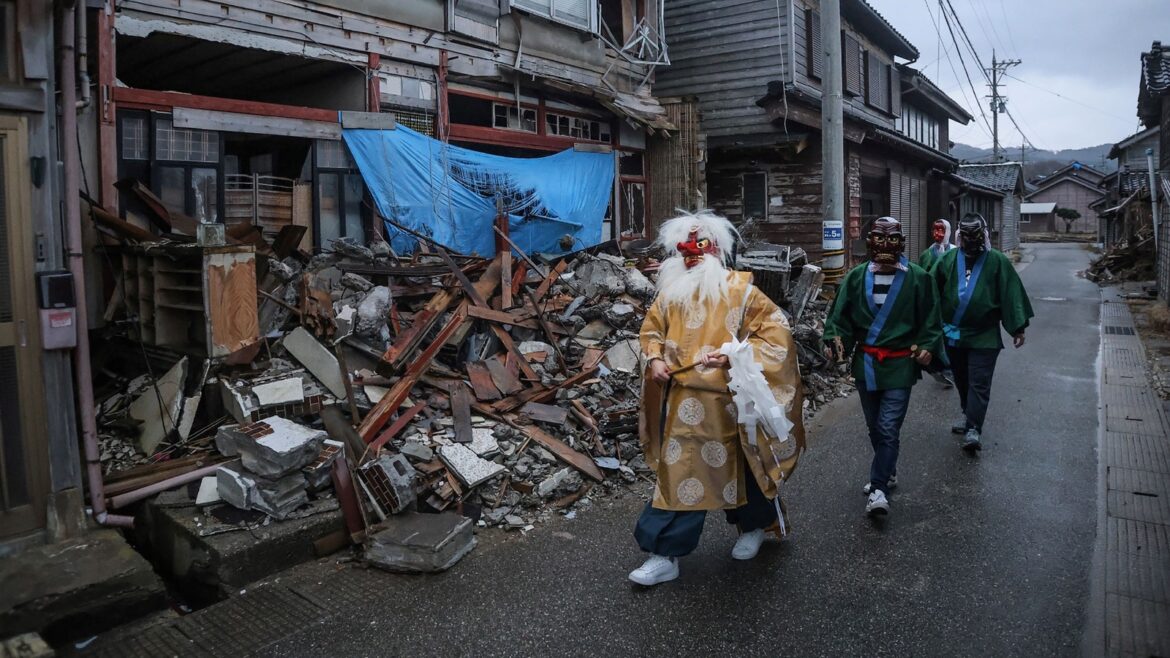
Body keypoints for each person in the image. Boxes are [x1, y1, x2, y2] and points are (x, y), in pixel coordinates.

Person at [630, 210, 805, 587]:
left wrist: (732, 355)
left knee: (745, 468)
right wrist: (656, 358)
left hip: (730, 401)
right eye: (684, 250)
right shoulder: (670, 296)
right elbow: (650, 332)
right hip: (680, 404)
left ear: (716, 251)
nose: (690, 256)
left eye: (698, 247)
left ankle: (754, 527)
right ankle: (665, 555)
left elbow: (776, 335)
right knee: (680, 475)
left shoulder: (742, 292)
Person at [822, 217, 942, 517]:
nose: (885, 246)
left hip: (900, 363)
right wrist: (835, 341)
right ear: (870, 243)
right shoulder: (855, 278)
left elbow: (931, 319)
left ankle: (878, 489)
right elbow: (840, 317)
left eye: (892, 240)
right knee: (875, 426)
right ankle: (888, 470)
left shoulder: (918, 278)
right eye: (879, 239)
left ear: (901, 242)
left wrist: (928, 346)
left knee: (888, 426)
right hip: (866, 363)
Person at [931, 213, 1034, 452]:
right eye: (965, 236)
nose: (969, 241)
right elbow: (930, 292)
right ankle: (968, 415)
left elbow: (1010, 294)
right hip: (953, 335)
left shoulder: (996, 261)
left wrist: (1018, 328)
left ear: (983, 235)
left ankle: (974, 428)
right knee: (962, 379)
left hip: (984, 335)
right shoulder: (946, 260)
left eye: (974, 236)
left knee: (979, 382)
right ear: (959, 236)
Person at [919, 219, 957, 388]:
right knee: (935, 333)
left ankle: (952, 365)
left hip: (951, 302)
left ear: (948, 232)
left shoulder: (956, 252)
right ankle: (941, 367)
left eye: (941, 230)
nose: (937, 234)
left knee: (951, 334)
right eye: (935, 230)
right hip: (932, 301)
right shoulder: (926, 254)